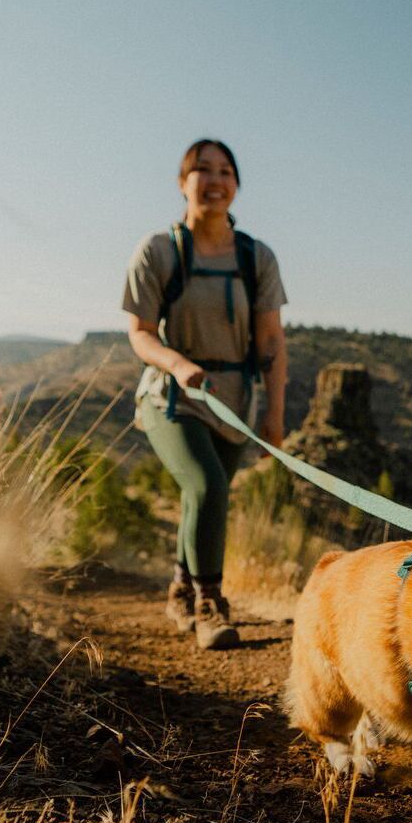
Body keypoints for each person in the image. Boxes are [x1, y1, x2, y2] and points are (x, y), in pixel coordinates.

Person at [123, 139, 288, 649]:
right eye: (203, 170)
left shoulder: (256, 257)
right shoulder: (157, 251)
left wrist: (275, 414)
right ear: (182, 182)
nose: (215, 181)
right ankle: (210, 606)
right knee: (207, 486)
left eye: (225, 172)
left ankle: (180, 590)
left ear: (236, 184)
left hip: (234, 401)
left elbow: (271, 340)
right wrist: (177, 364)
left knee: (204, 495)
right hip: (171, 397)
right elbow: (140, 333)